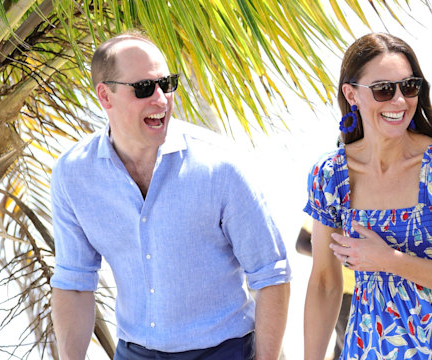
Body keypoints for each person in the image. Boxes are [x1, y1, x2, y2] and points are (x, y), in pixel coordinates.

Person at [50, 31, 291, 360]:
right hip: (134, 353)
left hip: (225, 352)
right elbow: (75, 283)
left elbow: (270, 275)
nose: (161, 99)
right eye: (145, 88)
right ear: (105, 96)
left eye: (167, 84)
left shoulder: (220, 166)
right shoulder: (73, 174)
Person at [303, 33, 432, 360]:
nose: (399, 101)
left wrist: (391, 261)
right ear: (351, 95)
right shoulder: (331, 176)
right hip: (366, 349)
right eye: (383, 90)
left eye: (408, 87)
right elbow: (324, 283)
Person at [295, 216, 353, 360]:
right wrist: (339, 255)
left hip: (372, 291)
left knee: (342, 346)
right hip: (343, 291)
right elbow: (301, 243)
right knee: (347, 343)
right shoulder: (329, 202)